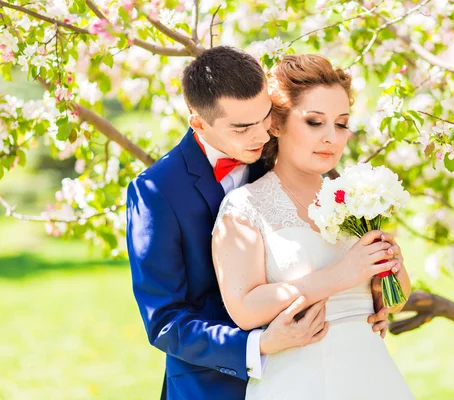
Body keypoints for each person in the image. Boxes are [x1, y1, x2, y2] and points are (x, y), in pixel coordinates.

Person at [126, 46, 396, 400]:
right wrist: (257, 345)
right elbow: (165, 321)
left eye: (265, 117)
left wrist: (367, 299)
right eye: (242, 128)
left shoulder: (284, 156)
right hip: (211, 384)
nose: (262, 134)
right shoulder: (155, 190)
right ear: (199, 123)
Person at [212, 54, 415, 399]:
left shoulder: (356, 198)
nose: (331, 138)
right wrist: (344, 274)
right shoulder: (245, 205)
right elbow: (245, 310)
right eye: (314, 122)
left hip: (373, 376)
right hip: (297, 380)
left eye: (341, 124)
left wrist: (390, 269)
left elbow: (392, 302)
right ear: (275, 124)